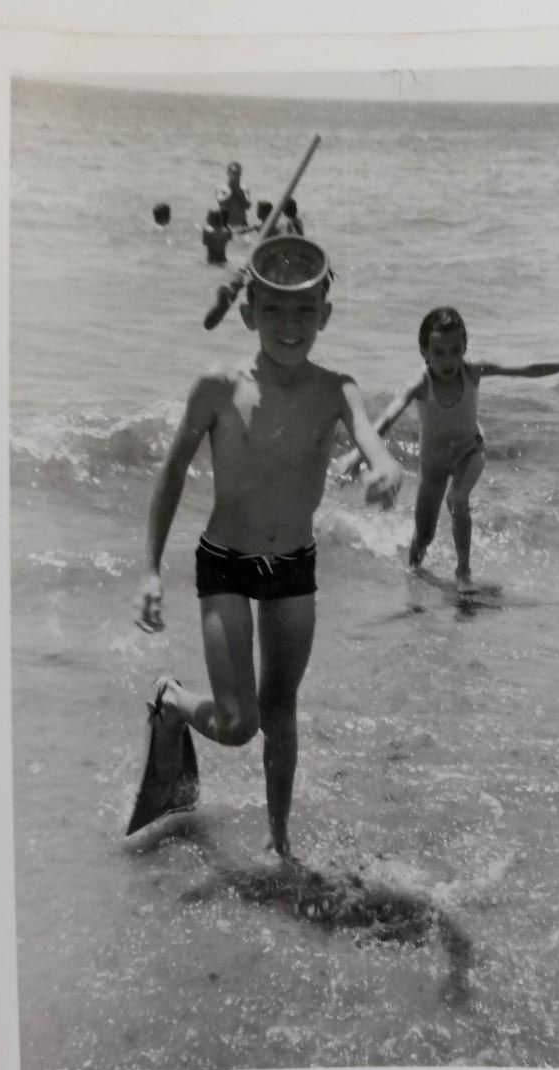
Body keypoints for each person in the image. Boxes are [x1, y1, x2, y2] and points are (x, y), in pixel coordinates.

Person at [134, 235, 403, 858]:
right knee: (239, 725)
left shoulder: (338, 388)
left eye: (305, 310)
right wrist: (148, 570)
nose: (290, 326)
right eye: (275, 310)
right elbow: (171, 473)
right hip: (225, 563)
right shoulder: (216, 387)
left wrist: (386, 466)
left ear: (325, 316)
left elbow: (369, 436)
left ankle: (279, 844)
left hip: (292, 568)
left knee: (281, 710)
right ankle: (173, 702)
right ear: (249, 313)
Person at [335, 306, 559, 594]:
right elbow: (388, 417)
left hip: (470, 450)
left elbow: (528, 370)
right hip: (434, 463)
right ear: (424, 352)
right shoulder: (420, 383)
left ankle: (463, 572)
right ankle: (414, 577)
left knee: (458, 498)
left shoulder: (472, 371)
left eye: (456, 350)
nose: (449, 360)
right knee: (424, 535)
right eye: (439, 352)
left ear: (465, 346)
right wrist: (357, 454)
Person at [216, 160, 251, 229]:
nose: (236, 175)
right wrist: (231, 193)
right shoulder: (221, 188)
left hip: (242, 224)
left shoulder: (244, 188)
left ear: (240, 174)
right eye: (233, 173)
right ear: (228, 173)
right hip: (226, 225)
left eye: (238, 173)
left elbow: (248, 205)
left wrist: (239, 192)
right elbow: (220, 202)